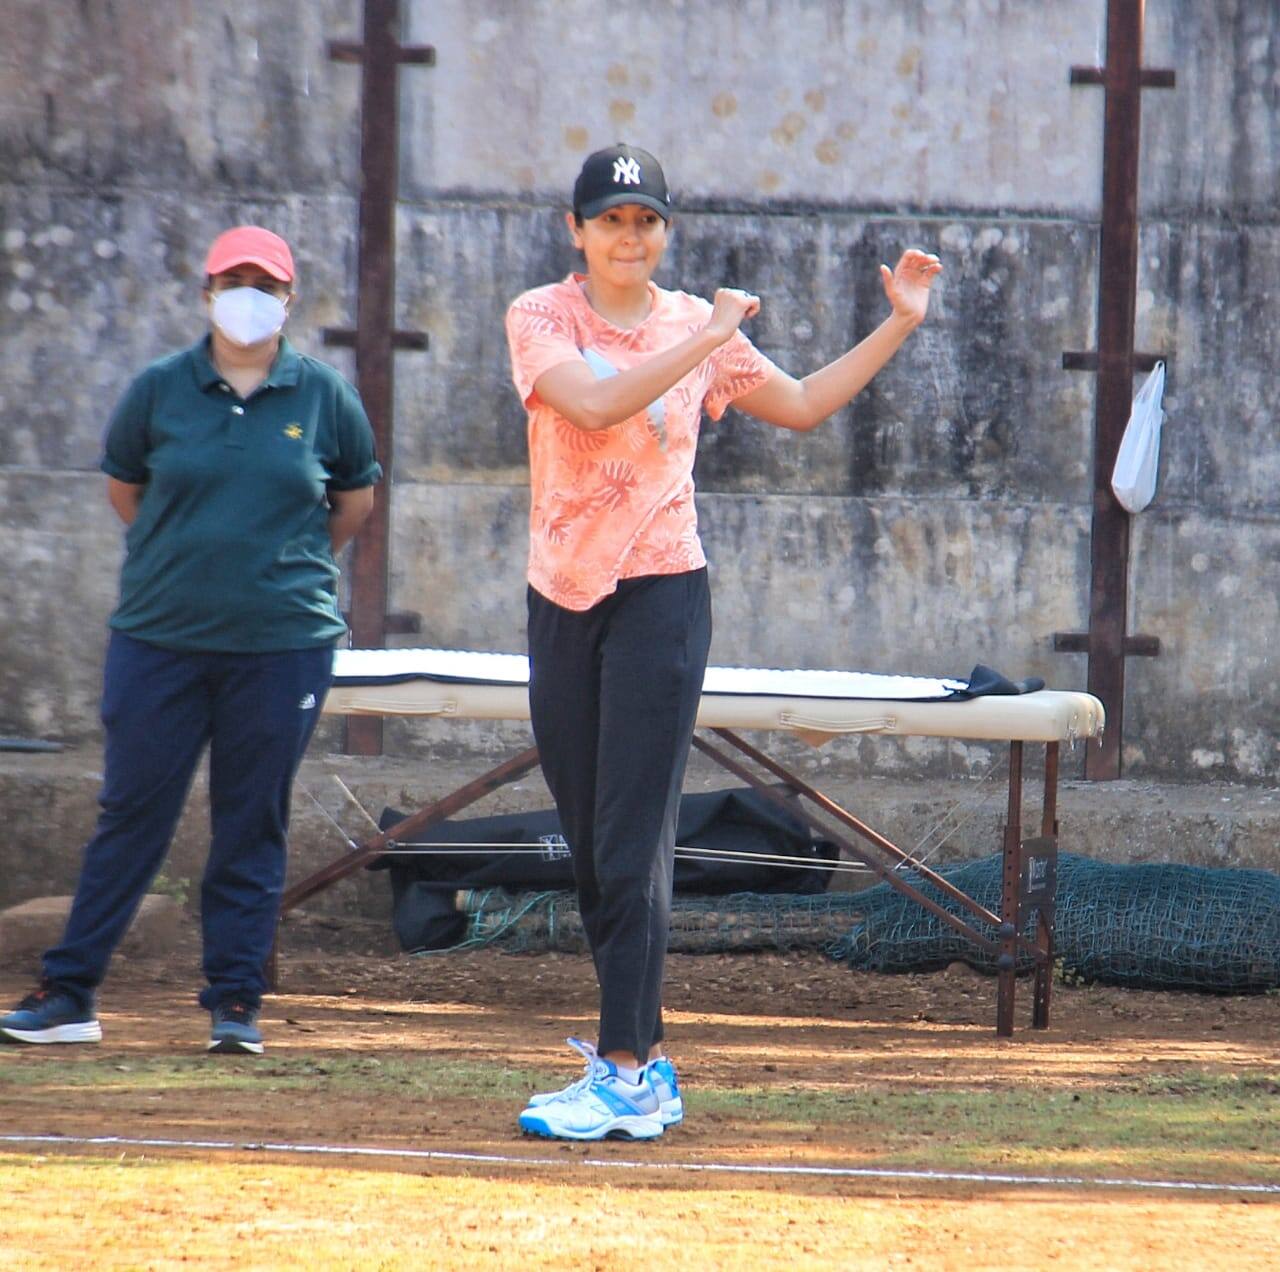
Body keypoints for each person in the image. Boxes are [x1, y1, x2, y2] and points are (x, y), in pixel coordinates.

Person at [504, 144, 942, 1140]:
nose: (629, 238)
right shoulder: (542, 316)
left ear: (665, 231)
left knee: (630, 835)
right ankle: (645, 1063)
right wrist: (706, 337)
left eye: (645, 221)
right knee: (591, 839)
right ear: (575, 231)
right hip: (563, 594)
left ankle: (623, 1070)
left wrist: (898, 324)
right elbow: (595, 402)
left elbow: (798, 405)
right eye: (610, 220)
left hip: (663, 592)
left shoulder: (694, 324)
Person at [0, 226, 381, 1055]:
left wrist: (278, 570)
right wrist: (193, 563)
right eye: (232, 279)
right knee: (131, 813)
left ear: (289, 297)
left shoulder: (323, 396)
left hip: (283, 645)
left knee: (252, 818)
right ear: (207, 291)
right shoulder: (159, 389)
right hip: (159, 638)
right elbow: (126, 489)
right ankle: (70, 993)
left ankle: (235, 1003)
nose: (248, 294)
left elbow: (351, 504)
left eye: (264, 282)